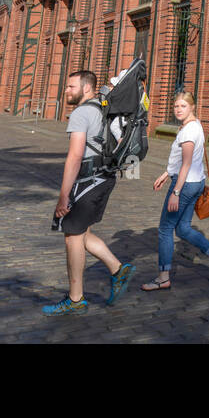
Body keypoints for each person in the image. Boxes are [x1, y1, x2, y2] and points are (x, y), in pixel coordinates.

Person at [44, 70, 135, 315]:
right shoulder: (103, 108)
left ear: (86, 88)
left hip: (87, 180)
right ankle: (118, 269)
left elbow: (74, 156)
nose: (66, 91)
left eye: (71, 86)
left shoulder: (82, 112)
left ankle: (76, 299)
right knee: (82, 233)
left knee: (72, 236)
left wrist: (63, 195)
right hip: (104, 178)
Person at [141, 91, 209, 291]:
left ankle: (163, 277)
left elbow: (187, 163)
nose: (178, 110)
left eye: (183, 106)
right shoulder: (194, 125)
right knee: (182, 229)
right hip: (195, 183)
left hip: (185, 184)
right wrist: (166, 174)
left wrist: (175, 192)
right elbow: (181, 161)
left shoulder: (189, 131)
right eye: (176, 106)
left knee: (165, 229)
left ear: (192, 107)